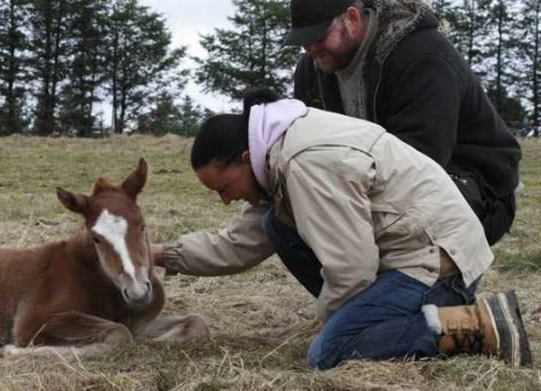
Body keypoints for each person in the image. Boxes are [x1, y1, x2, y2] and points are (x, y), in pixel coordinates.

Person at [150, 88, 533, 370]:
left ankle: (480, 327)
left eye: (223, 188)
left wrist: (332, 327)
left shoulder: (303, 162)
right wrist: (159, 254)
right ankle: (377, 320)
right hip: (418, 252)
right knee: (276, 226)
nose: (225, 200)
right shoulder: (277, 156)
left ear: (245, 158)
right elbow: (236, 246)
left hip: (437, 263)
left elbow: (351, 267)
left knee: (328, 353)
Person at [285, 0, 521, 246]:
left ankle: (442, 283)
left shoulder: (422, 56)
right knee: (285, 222)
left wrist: (342, 196)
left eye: (318, 36)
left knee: (394, 217)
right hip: (378, 182)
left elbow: (421, 162)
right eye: (302, 41)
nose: (310, 48)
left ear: (352, 18)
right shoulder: (312, 69)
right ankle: (358, 284)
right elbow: (308, 149)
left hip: (473, 187)